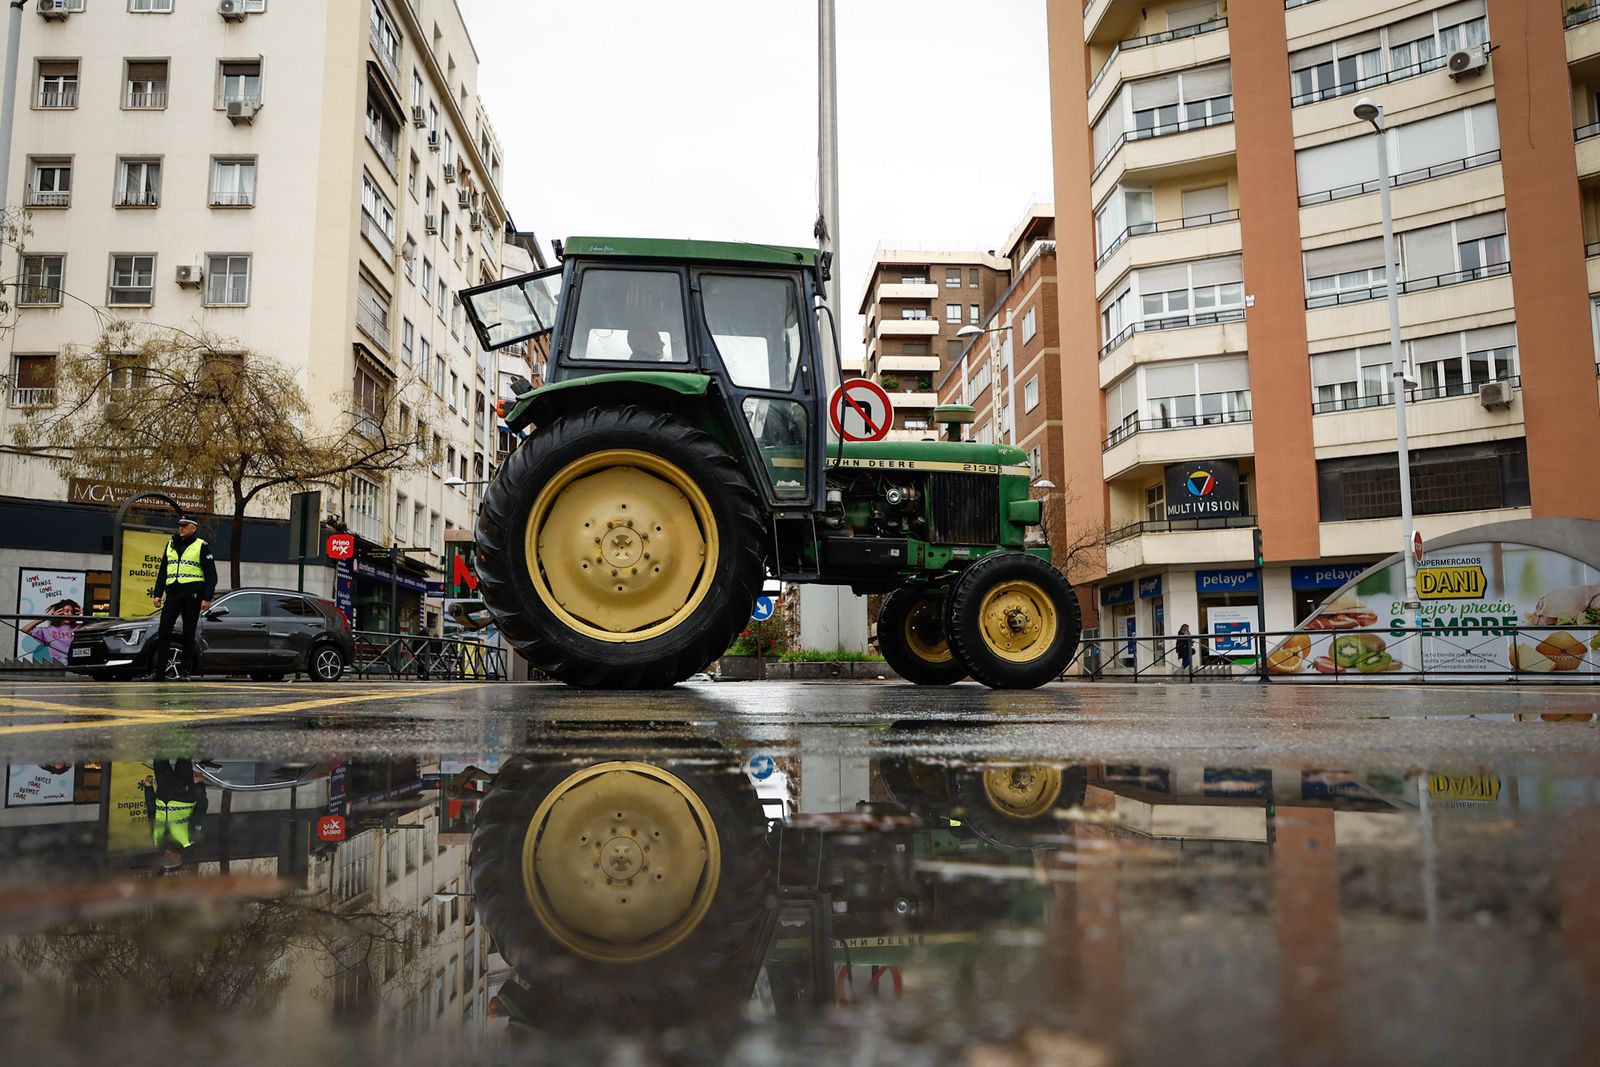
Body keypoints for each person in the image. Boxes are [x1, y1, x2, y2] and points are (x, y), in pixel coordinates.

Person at [140, 516, 218, 681]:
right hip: (173, 594)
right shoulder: (170, 544)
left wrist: (207, 598)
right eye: (179, 526)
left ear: (193, 528)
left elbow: (211, 575)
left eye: (185, 526)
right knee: (163, 633)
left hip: (192, 596)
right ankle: (159, 672)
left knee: (188, 635)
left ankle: (185, 672)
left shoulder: (201, 546)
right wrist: (157, 593)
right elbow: (163, 571)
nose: (181, 528)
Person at [141, 758, 209, 870]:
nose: (165, 855)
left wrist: (148, 788)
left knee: (159, 757)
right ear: (178, 856)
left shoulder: (156, 840)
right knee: (184, 757)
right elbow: (201, 808)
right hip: (182, 792)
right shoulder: (189, 838)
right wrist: (199, 785)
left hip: (162, 792)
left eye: (164, 858)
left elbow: (151, 812)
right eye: (169, 858)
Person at [21, 598, 81, 663]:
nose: (70, 614)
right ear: (59, 612)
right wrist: (46, 617)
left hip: (78, 660)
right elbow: (25, 629)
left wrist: (86, 615)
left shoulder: (79, 627)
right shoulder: (49, 630)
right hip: (60, 663)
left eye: (72, 612)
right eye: (67, 611)